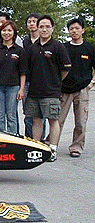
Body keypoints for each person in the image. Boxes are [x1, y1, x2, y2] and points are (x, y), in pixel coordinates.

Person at [25, 15, 71, 161]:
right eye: (41, 27)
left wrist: (55, 81)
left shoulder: (58, 47)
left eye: (47, 26)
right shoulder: (32, 48)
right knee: (36, 120)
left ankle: (52, 150)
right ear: (37, 28)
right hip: (34, 92)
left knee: (53, 120)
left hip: (51, 92)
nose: (44, 29)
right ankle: (37, 149)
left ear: (52, 28)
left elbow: (65, 69)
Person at [50, 18, 95, 157]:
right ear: (68, 31)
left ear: (83, 30)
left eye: (77, 28)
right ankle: (52, 145)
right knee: (58, 120)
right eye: (71, 29)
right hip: (64, 89)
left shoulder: (89, 48)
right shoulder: (63, 47)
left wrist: (92, 83)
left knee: (81, 121)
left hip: (82, 89)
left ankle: (76, 147)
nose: (74, 31)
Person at [0, 20, 26, 134]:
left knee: (11, 116)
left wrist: (22, 89)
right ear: (0, 32)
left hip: (13, 87)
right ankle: (0, 142)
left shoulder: (19, 50)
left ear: (14, 33)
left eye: (9, 30)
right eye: (4, 30)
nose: (6, 33)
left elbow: (23, 72)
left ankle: (13, 141)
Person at [22, 13, 46, 138]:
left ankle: (41, 141)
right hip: (26, 81)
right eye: (29, 21)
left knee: (41, 115)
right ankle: (28, 139)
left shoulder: (44, 42)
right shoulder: (24, 42)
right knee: (28, 114)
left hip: (42, 82)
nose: (32, 23)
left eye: (34, 21)